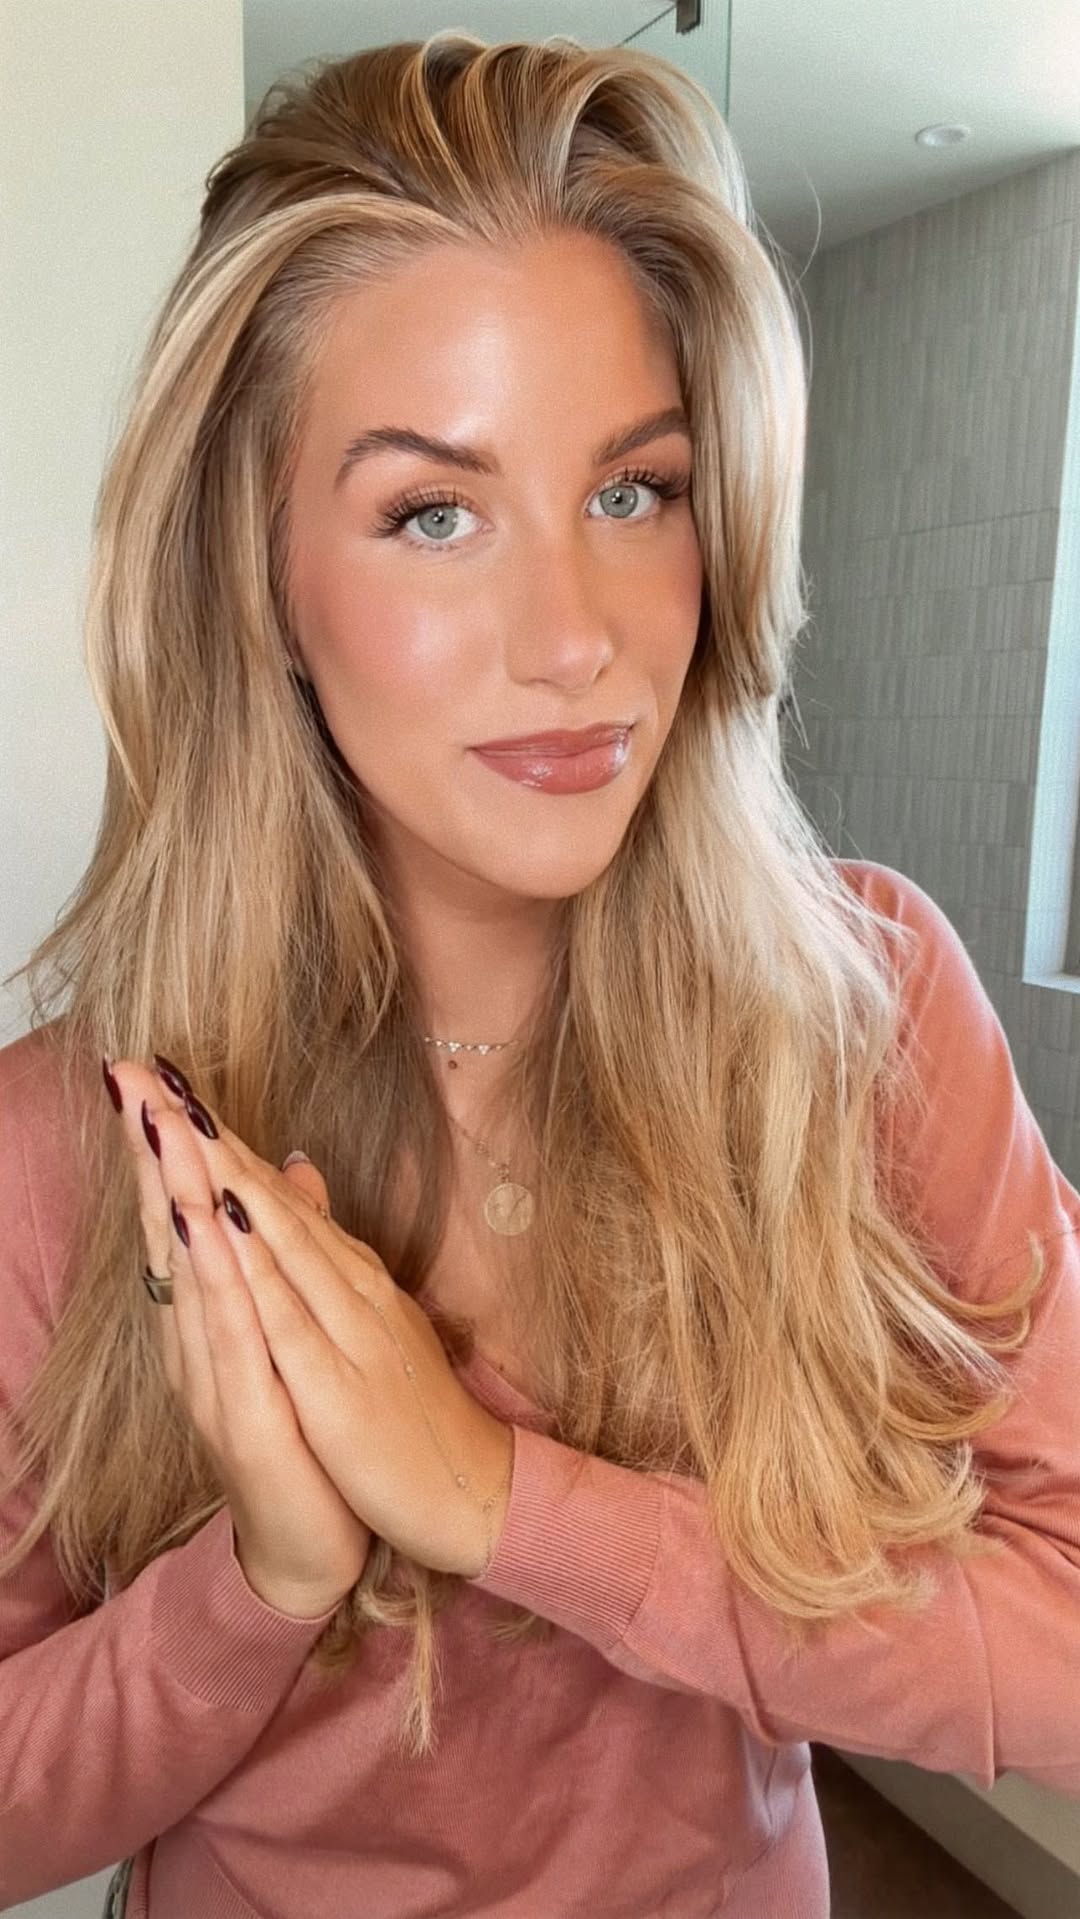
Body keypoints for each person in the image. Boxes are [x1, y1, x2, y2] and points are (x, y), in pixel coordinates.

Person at [2, 30, 1079, 1919]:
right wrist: (260, 1580)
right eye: (434, 512)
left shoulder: (869, 1012)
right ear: (261, 578)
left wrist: (518, 1509)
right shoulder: (74, 1150)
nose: (574, 640)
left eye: (634, 490)